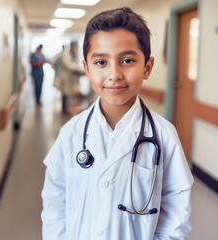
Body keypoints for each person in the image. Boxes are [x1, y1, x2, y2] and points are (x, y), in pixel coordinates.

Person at [41, 7, 193, 239]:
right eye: (101, 62)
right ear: (87, 69)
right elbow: (54, 203)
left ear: (147, 67)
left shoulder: (164, 135)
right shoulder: (71, 133)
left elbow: (176, 215)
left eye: (127, 60)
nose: (114, 74)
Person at [57, 41, 85, 113]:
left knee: (68, 93)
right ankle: (64, 110)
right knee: (65, 93)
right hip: (65, 77)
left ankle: (68, 108)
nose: (75, 48)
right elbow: (68, 65)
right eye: (74, 47)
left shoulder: (73, 54)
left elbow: (73, 64)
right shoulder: (66, 54)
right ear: (71, 46)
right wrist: (78, 68)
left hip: (70, 77)